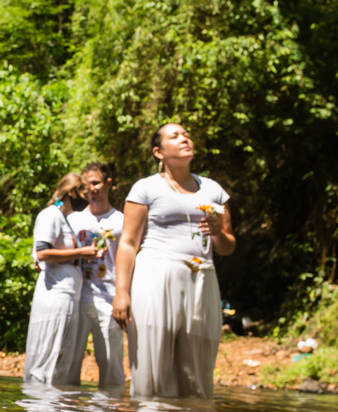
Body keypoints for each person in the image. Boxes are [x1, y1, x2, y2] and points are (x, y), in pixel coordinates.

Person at [112, 123, 235, 397]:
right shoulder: (145, 188)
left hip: (202, 278)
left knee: (198, 368)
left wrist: (218, 234)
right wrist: (121, 292)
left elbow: (227, 246)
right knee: (153, 363)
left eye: (187, 135)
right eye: (175, 136)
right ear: (158, 152)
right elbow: (129, 243)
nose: (184, 139)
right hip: (156, 277)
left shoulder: (214, 190)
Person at [23, 172, 101, 384]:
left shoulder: (64, 218)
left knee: (61, 354)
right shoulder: (50, 215)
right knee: (48, 352)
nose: (87, 199)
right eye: (84, 193)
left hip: (68, 294)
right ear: (72, 192)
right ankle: (39, 409)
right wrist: (81, 253)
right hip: (54, 293)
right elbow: (42, 253)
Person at [65, 162, 126, 388]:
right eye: (86, 184)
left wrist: (125, 295)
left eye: (96, 183)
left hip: (109, 297)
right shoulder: (73, 220)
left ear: (108, 183)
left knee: (111, 362)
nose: (92, 188)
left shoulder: (121, 221)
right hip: (77, 297)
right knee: (69, 360)